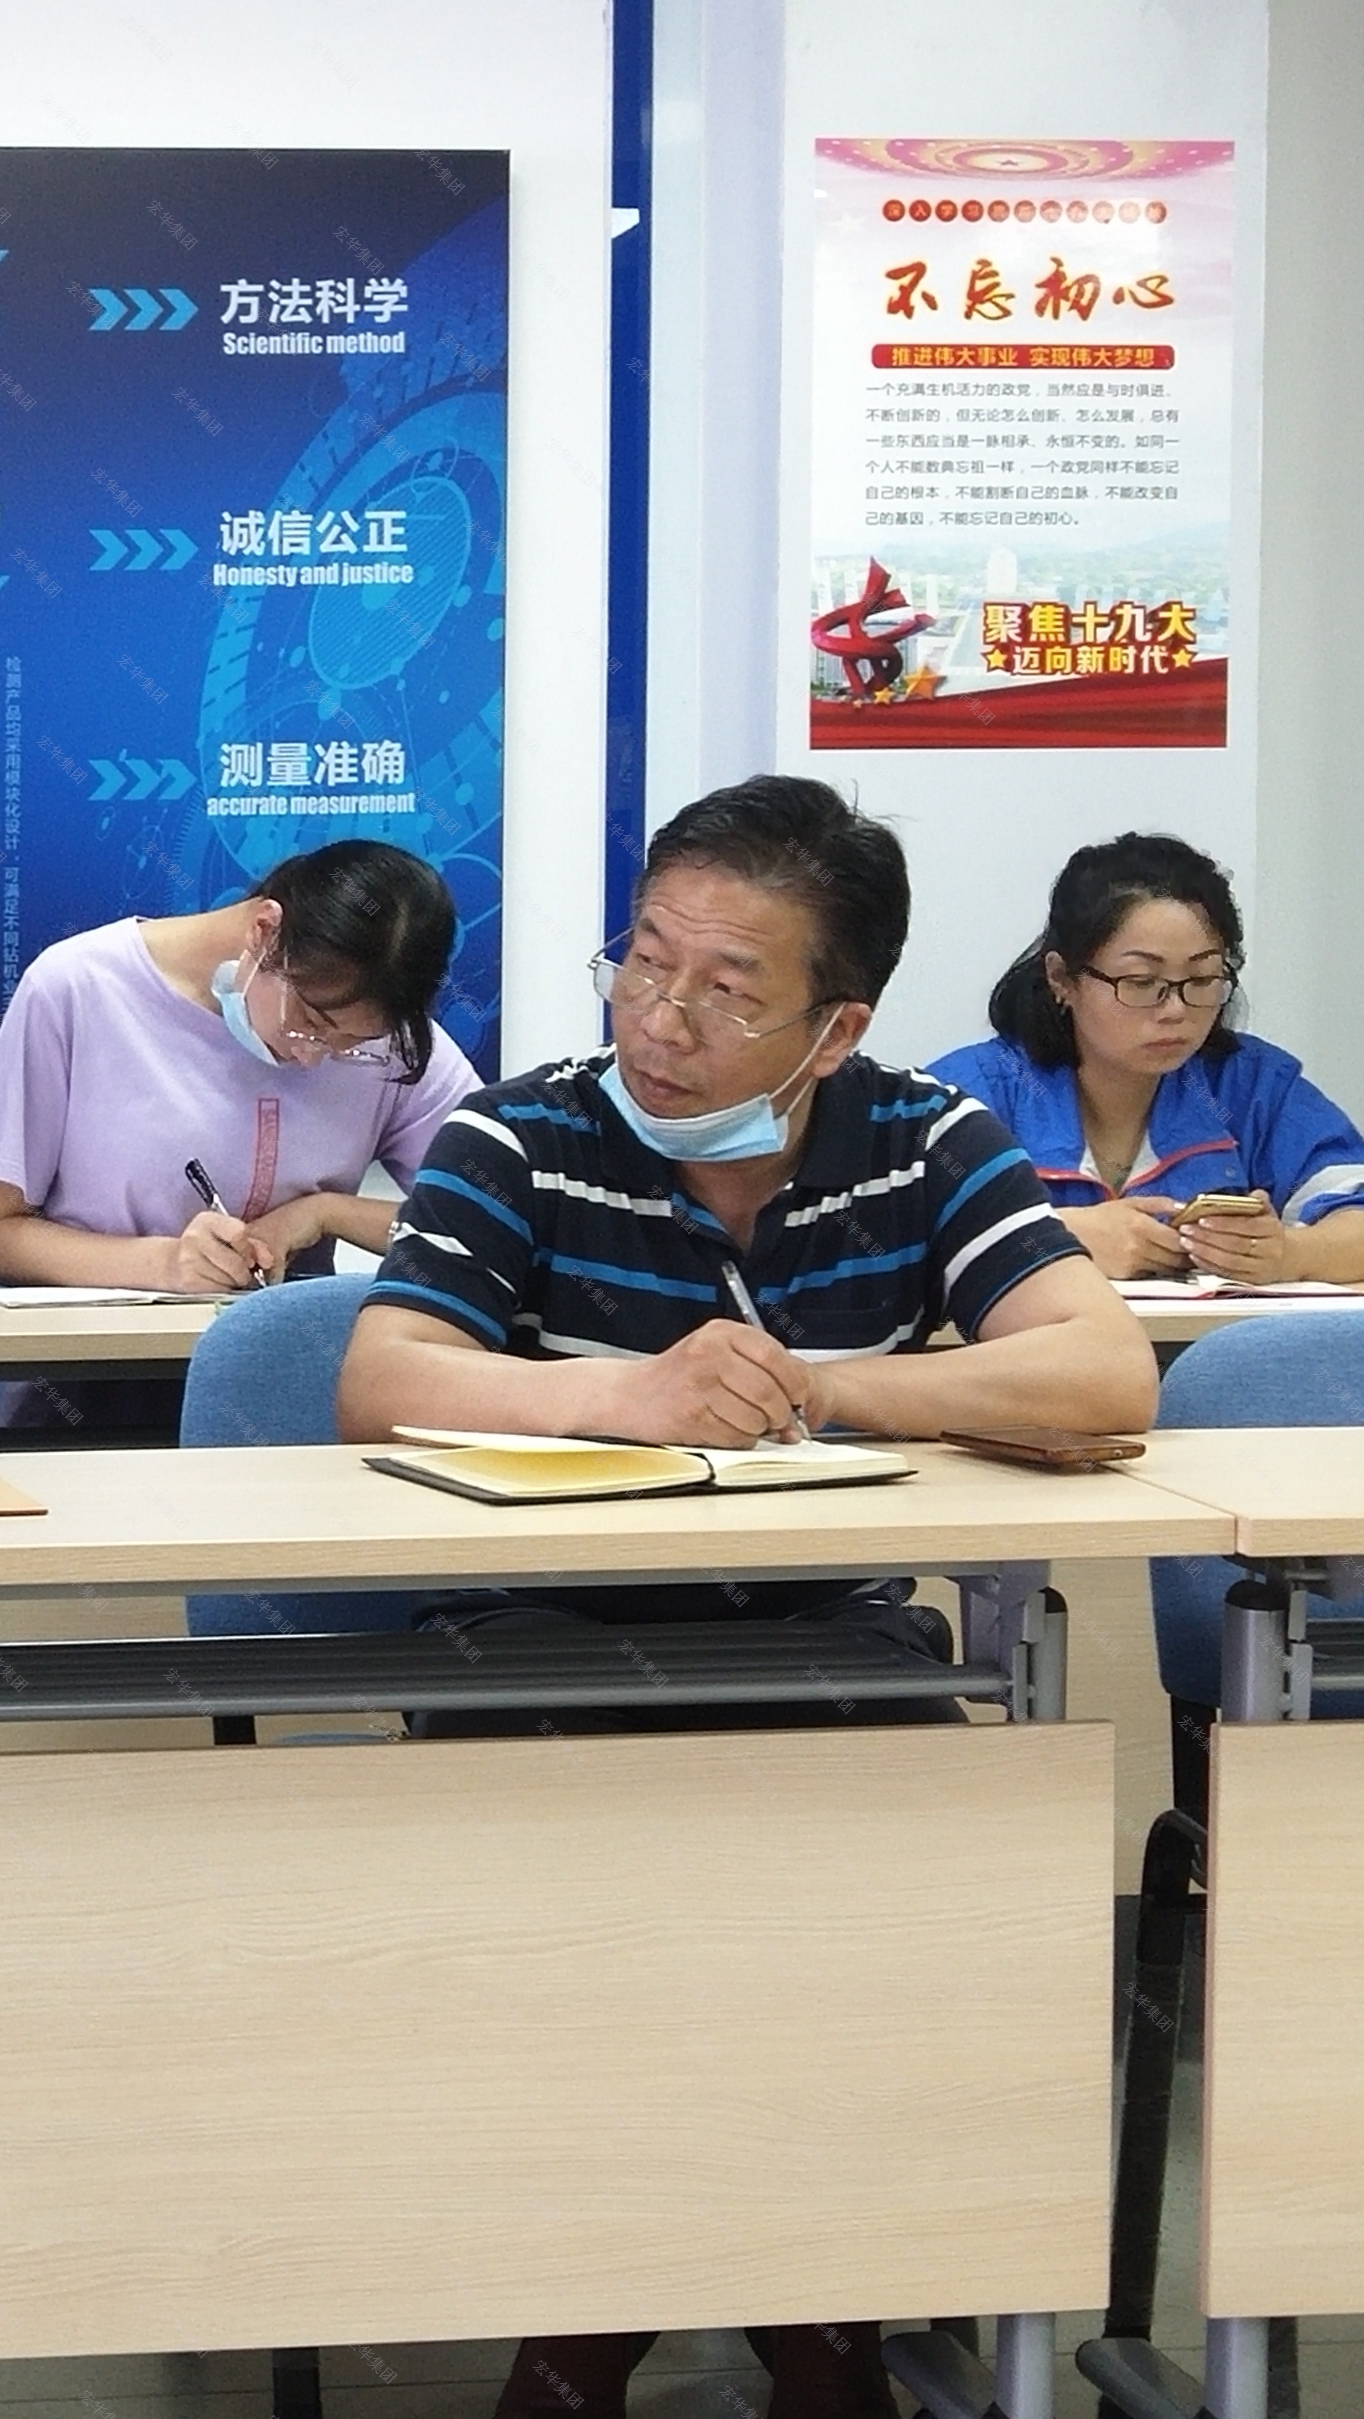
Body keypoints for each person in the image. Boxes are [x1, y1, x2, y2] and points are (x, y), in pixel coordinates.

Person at [337, 773, 1154, 2419]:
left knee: (915, 1865)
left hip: (823, 1635)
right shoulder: (525, 1133)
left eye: (726, 990)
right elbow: (384, 1371)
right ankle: (615, 2315)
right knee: (617, 1894)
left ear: (835, 1027)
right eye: (644, 961)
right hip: (546, 1641)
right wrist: (624, 1397)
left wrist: (832, 1386)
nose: (660, 1019)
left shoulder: (922, 1138)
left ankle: (810, 2297)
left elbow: (1103, 1370)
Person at [0, 837, 477, 1293]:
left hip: (290, 1359)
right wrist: (163, 1264)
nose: (313, 1055)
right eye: (310, 1021)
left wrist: (324, 1213)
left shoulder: (391, 1041)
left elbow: (496, 1220)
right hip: (93, 1359)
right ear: (265, 929)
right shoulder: (79, 986)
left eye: (352, 1044)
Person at [930, 831, 1364, 1284]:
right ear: (1061, 978)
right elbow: (894, 1240)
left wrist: (1291, 1254)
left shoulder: (1253, 1087)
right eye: (1141, 982)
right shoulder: (972, 1093)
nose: (1175, 1009)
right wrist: (1054, 1238)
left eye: (1202, 979)